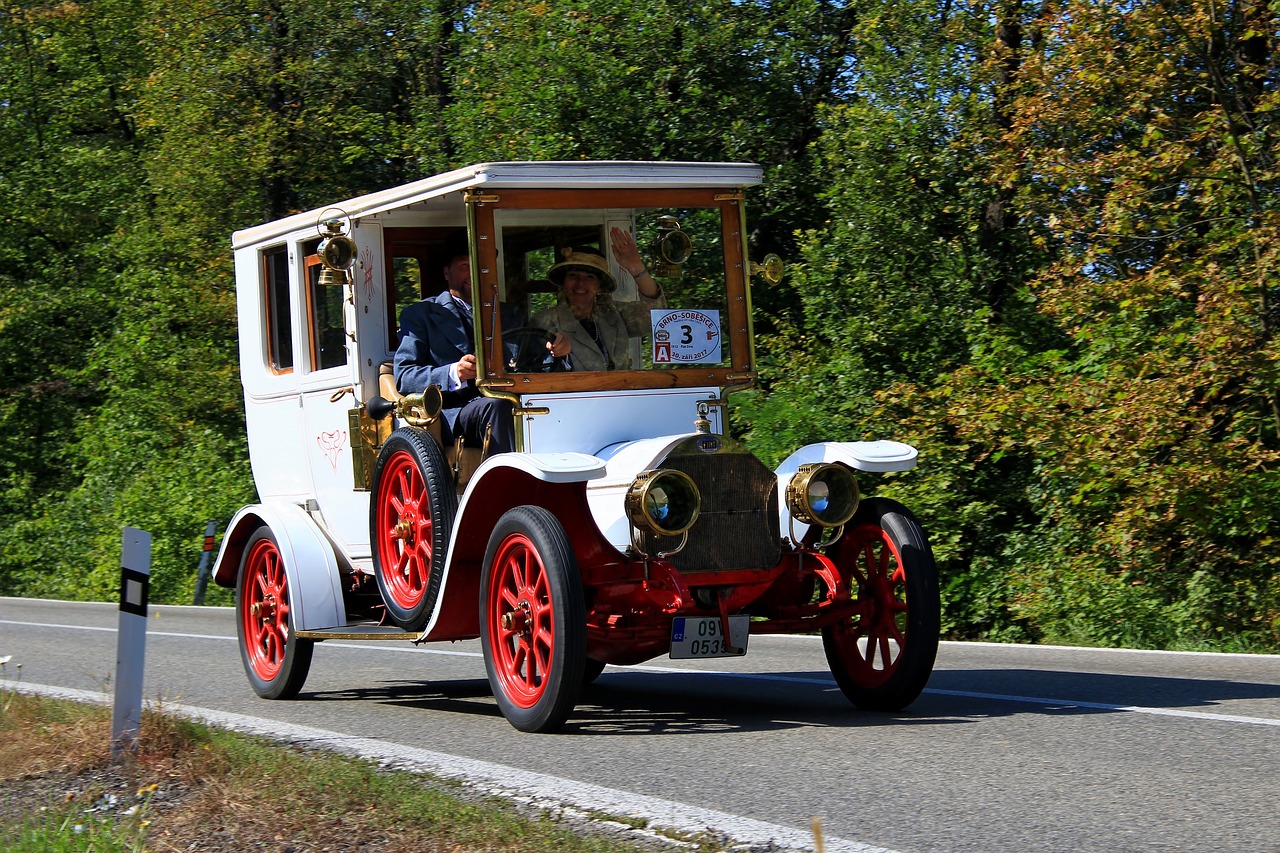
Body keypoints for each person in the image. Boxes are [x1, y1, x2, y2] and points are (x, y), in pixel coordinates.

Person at [393, 235, 521, 454]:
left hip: (512, 399)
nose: (474, 273)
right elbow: (404, 377)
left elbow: (533, 358)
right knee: (499, 406)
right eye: (464, 266)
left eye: (481, 266)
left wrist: (557, 352)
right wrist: (454, 373)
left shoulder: (508, 314)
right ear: (446, 273)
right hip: (456, 411)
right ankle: (507, 483)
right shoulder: (420, 314)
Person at [536, 227, 666, 371]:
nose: (580, 283)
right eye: (573, 276)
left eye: (589, 277)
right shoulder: (545, 320)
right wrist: (559, 353)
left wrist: (637, 268)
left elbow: (658, 319)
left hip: (624, 392)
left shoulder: (614, 314)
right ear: (563, 283)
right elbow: (539, 367)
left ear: (599, 287)